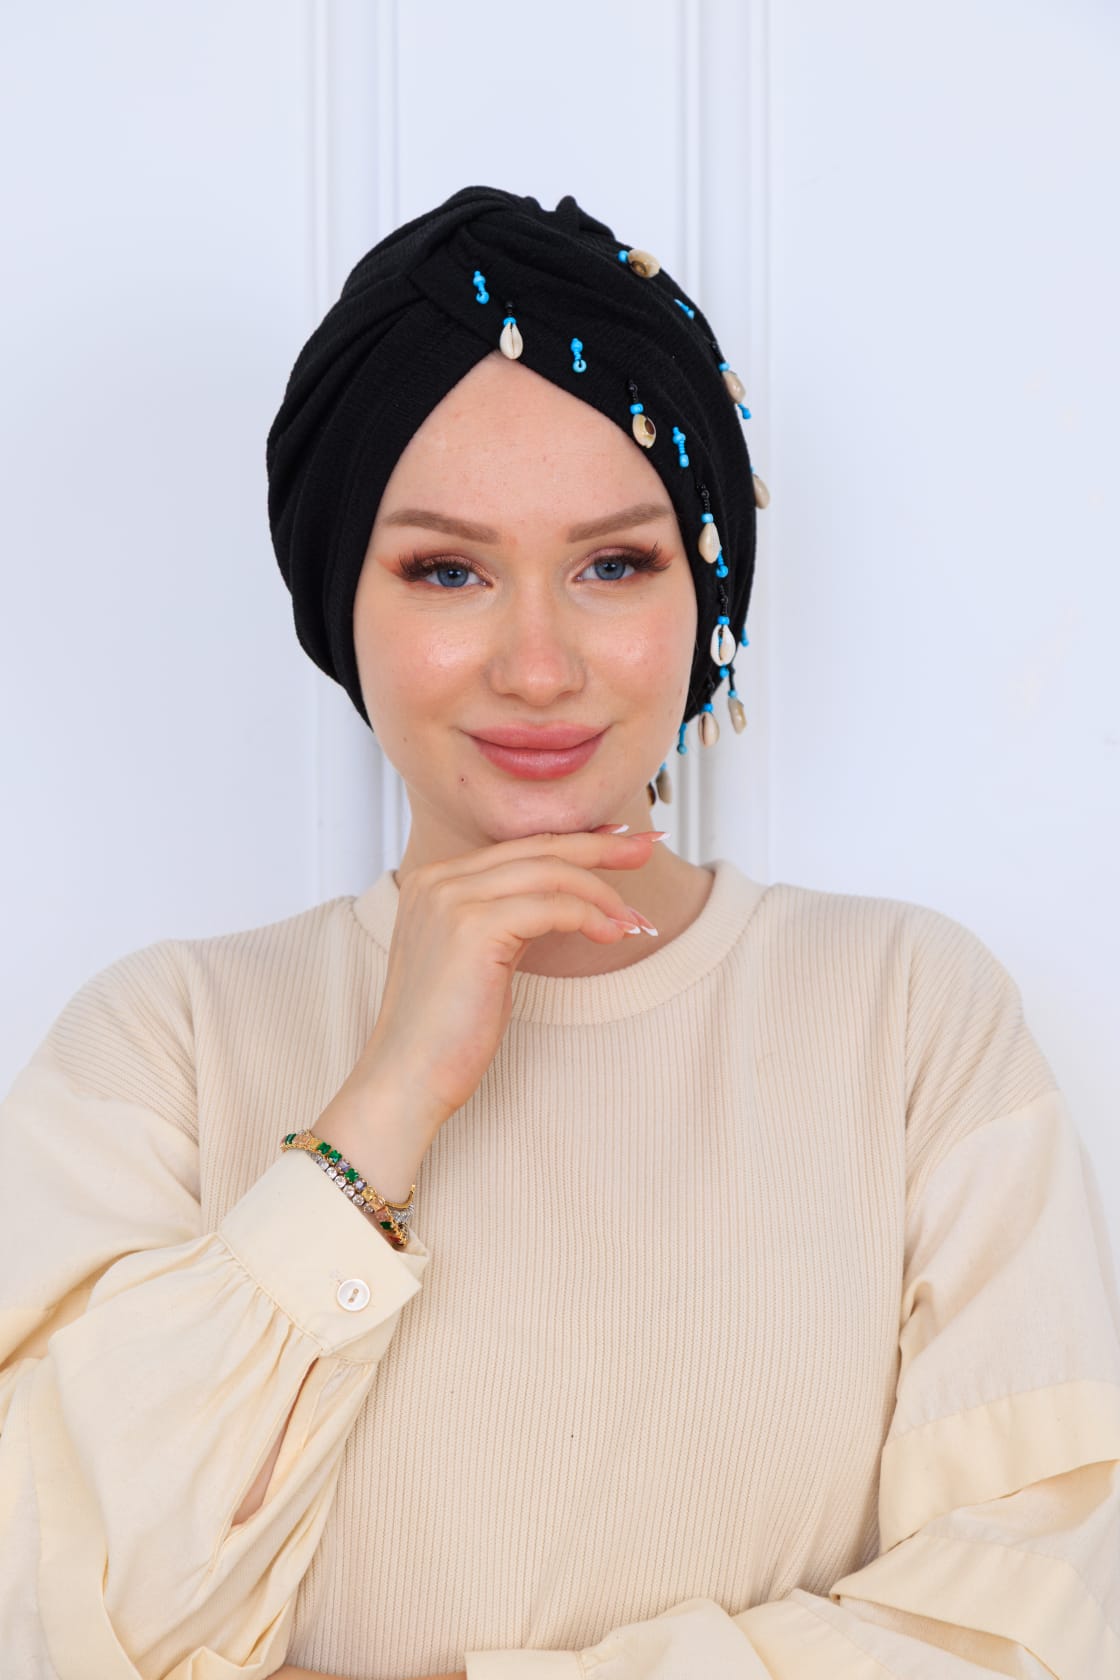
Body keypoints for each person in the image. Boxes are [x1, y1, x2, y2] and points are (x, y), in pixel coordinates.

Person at [2, 186, 1118, 1680]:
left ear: (705, 590)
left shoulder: (908, 1016)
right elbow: (49, 1613)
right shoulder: (163, 1046)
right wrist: (381, 1111)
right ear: (341, 602)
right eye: (446, 570)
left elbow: (1029, 1623)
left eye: (613, 565)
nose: (537, 666)